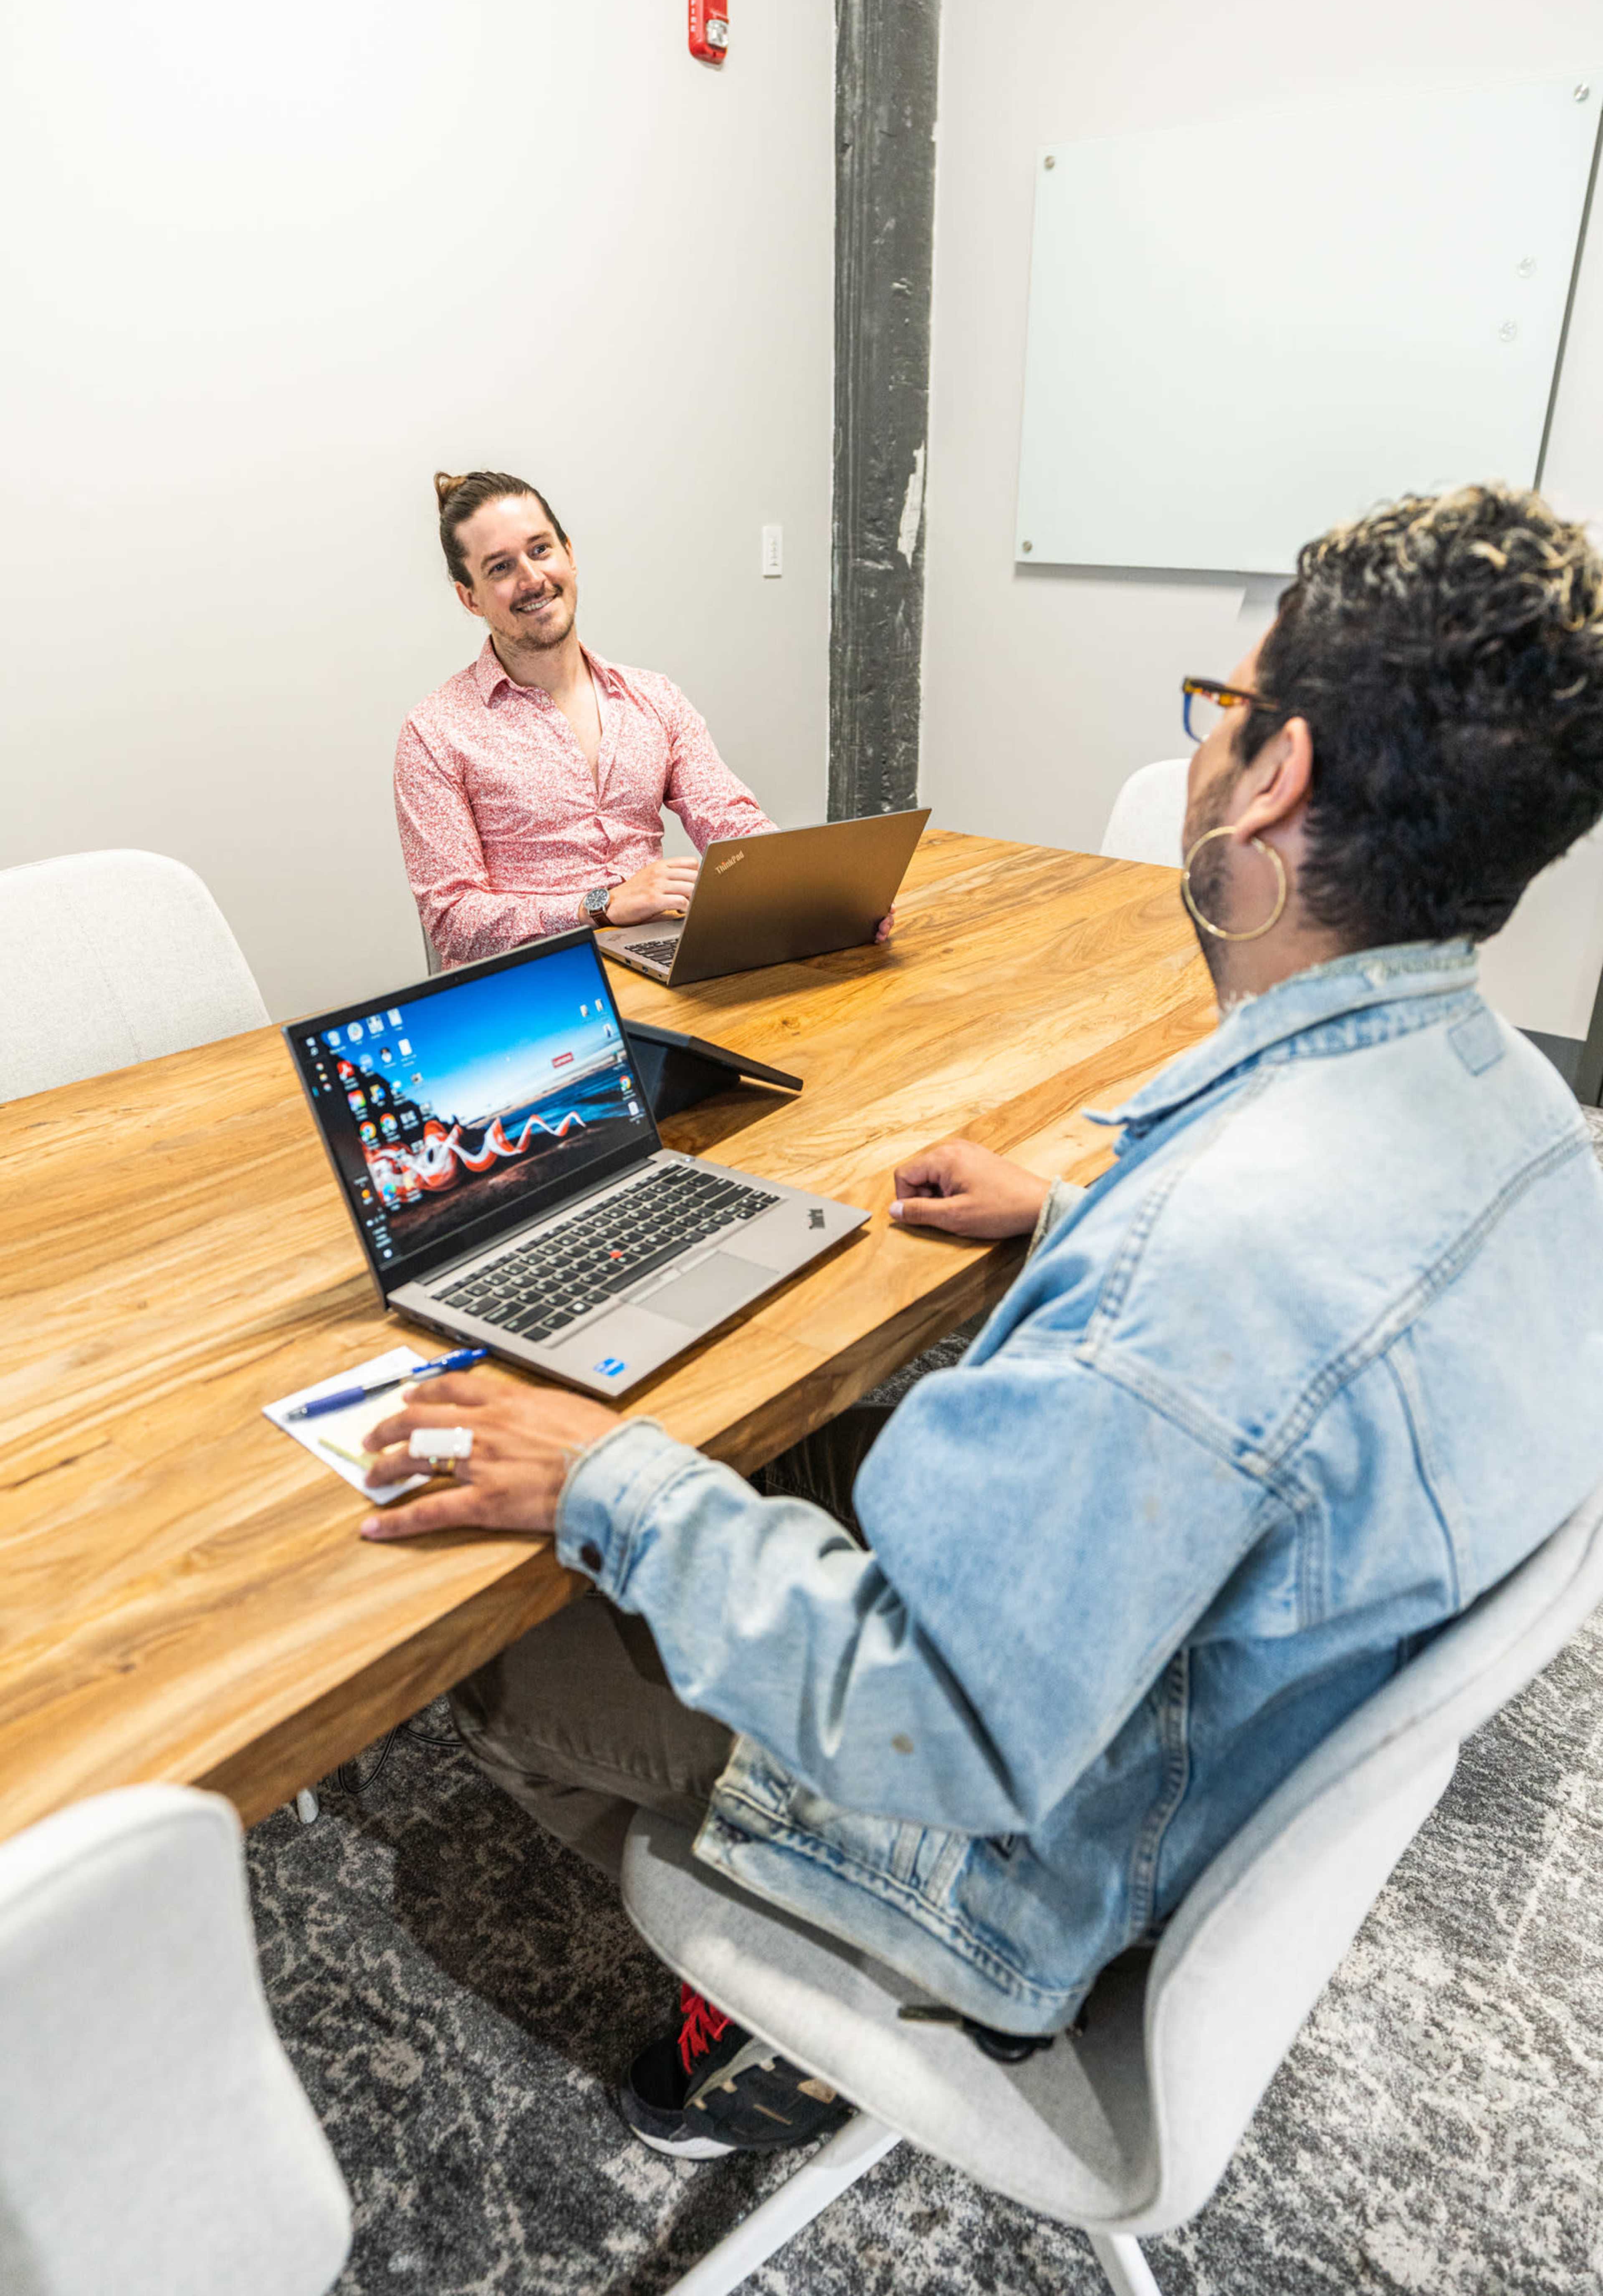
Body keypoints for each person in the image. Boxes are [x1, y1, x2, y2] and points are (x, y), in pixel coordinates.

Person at [361, 484, 1603, 2159]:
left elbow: (924, 1721)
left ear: (1280, 775)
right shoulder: (1530, 1114)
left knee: (502, 1644)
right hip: (1205, 1732)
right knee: (808, 1437)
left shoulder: (1203, 1263)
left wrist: (606, 1476)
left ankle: (785, 2010)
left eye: (1223, 715)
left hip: (1031, 1866)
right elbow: (1281, 1361)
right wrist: (1076, 1214)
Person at [395, 470, 892, 967]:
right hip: (534, 993)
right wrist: (601, 905)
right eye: (501, 567)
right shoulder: (436, 732)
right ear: (470, 597)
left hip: (662, 964)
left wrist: (821, 895)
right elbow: (453, 920)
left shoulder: (654, 698)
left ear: (569, 552)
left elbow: (729, 818)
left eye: (540, 549)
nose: (532, 578)